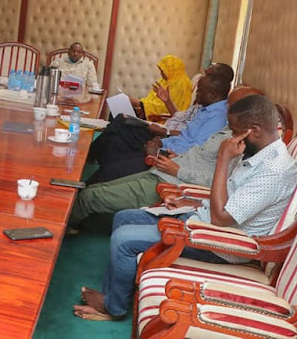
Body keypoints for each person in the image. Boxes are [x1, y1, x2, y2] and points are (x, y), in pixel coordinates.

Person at [73, 94, 297, 321]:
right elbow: (230, 197)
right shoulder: (257, 152)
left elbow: (221, 219)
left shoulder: (273, 171)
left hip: (220, 244)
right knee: (124, 217)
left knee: (123, 240)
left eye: (234, 130)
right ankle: (113, 295)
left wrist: (222, 158)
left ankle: (114, 308)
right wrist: (192, 202)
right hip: (203, 217)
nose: (230, 137)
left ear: (255, 131)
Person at [68, 86, 263, 228]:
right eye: (228, 104)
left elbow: (222, 183)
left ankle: (53, 242)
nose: (226, 109)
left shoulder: (241, 143)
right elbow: (198, 151)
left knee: (88, 197)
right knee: (92, 189)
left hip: (171, 183)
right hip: (164, 169)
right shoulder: (228, 129)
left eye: (232, 105)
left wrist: (178, 169)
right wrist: (175, 157)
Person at [87, 74, 229, 184]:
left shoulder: (217, 117)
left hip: (168, 155)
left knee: (118, 139)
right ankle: (92, 163)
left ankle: (91, 170)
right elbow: (186, 135)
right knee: (118, 133)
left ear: (212, 95)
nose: (196, 94)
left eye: (200, 91)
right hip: (164, 142)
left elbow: (194, 148)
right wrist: (161, 141)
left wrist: (162, 141)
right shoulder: (206, 109)